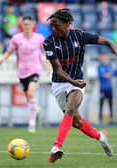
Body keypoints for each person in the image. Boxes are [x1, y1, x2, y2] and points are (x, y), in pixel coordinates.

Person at [43, 9, 116, 163]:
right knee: (77, 122)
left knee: (70, 108)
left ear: (67, 24)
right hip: (60, 84)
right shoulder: (48, 42)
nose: (53, 29)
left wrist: (76, 83)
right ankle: (101, 137)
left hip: (77, 82)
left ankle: (56, 147)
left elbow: (108, 42)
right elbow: (58, 70)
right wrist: (73, 82)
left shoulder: (79, 35)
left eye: (57, 26)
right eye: (52, 26)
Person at [0, 16, 50, 133]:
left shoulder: (39, 38)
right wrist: (3, 59)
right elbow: (9, 51)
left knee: (32, 93)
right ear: (22, 25)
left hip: (35, 70)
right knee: (29, 98)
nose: (27, 26)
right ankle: (35, 109)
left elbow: (47, 52)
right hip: (22, 72)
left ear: (33, 25)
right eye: (25, 24)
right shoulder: (16, 38)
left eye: (29, 24)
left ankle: (31, 124)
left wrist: (47, 65)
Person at [98, 54, 117, 123]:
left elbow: (114, 73)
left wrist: (109, 74)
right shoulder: (100, 67)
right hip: (103, 89)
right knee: (101, 104)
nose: (104, 60)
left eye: (105, 58)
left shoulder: (109, 66)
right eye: (103, 58)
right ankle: (100, 118)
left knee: (110, 104)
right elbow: (103, 75)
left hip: (110, 88)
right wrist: (110, 74)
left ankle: (111, 118)